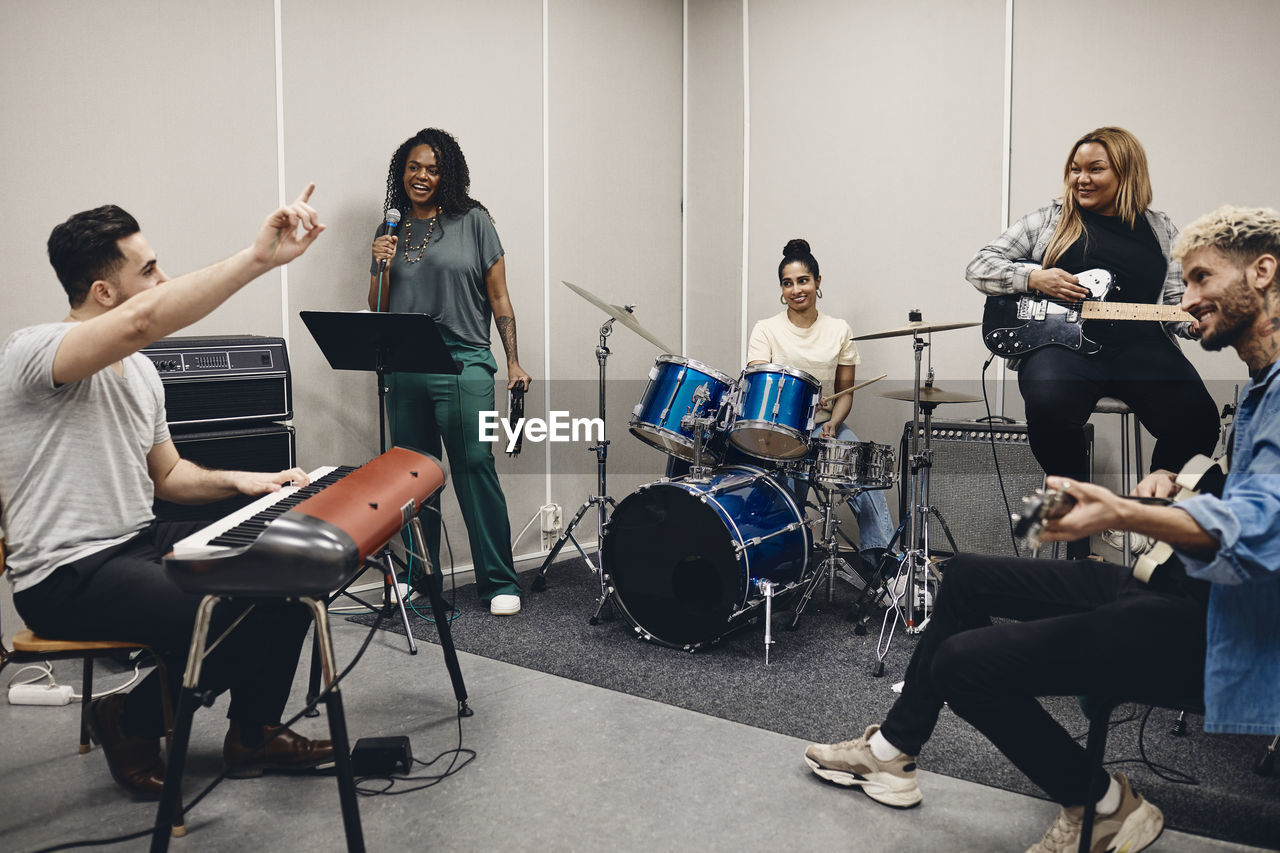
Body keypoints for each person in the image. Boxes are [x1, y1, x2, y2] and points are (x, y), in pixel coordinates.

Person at [804, 205, 1280, 852]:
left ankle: (1102, 802)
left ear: (1264, 271)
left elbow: (1259, 531)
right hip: (1184, 589)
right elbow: (1252, 493)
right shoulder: (1259, 389)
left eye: (1199, 279)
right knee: (966, 576)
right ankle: (892, 750)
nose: (1185, 300)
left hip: (1222, 629)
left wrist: (1121, 510)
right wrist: (1183, 482)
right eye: (1185, 283)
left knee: (963, 664)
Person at [0, 188, 331, 799]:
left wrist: (243, 483)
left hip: (139, 543)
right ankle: (127, 718)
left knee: (291, 569)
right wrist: (259, 258)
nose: (163, 280)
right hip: (65, 573)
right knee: (220, 610)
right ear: (104, 292)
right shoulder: (32, 352)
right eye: (148, 270)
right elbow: (146, 319)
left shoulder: (143, 371)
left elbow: (170, 476)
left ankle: (253, 732)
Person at [966, 127, 1219, 555]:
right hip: (1061, 344)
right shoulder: (1049, 219)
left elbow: (1176, 303)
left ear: (1126, 173)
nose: (1080, 178)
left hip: (1139, 346)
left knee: (1199, 420)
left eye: (1094, 169)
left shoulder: (1161, 229)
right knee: (1048, 399)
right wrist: (1033, 276)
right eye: (1074, 169)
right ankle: (1076, 504)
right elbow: (979, 265)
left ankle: (1146, 508)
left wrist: (1195, 322)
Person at [369, 128, 530, 616]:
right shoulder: (390, 228)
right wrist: (380, 266)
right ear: (403, 170)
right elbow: (376, 307)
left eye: (433, 169)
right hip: (407, 365)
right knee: (413, 478)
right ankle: (420, 577)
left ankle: (499, 582)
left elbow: (498, 296)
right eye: (414, 167)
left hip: (464, 362)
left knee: (474, 467)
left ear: (447, 175)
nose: (422, 176)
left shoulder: (473, 220)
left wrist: (513, 360)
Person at [746, 238, 895, 552]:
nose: (796, 290)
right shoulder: (766, 330)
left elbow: (844, 394)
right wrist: (799, 402)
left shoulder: (839, 330)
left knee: (865, 480)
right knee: (785, 499)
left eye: (803, 281)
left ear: (817, 282)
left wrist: (833, 423)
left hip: (826, 428)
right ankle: (787, 566)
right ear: (782, 289)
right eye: (788, 284)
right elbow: (760, 386)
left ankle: (885, 568)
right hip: (780, 431)